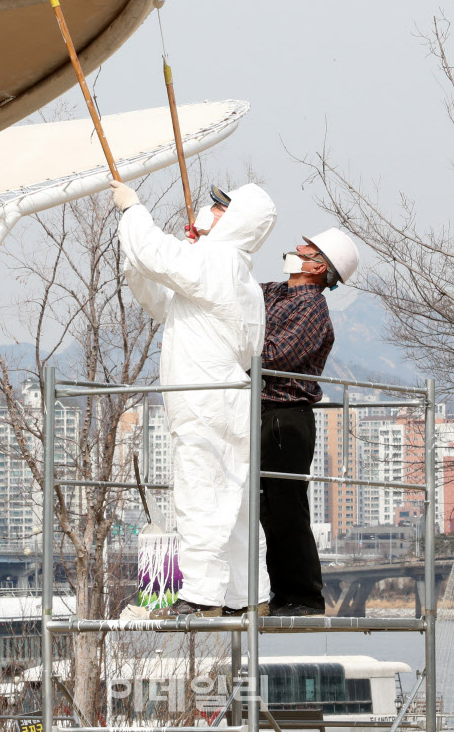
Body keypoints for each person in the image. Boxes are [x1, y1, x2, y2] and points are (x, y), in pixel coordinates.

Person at [110, 179, 277, 618]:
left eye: (220, 208)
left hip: (205, 401)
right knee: (235, 501)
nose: (209, 211)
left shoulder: (217, 262)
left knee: (202, 493)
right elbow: (161, 297)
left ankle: (200, 595)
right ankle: (248, 594)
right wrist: (138, 256)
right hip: (222, 400)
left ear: (235, 221)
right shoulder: (237, 275)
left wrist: (132, 210)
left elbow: (155, 255)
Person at [260, 228, 359, 617]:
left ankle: (303, 597)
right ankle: (282, 595)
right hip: (264, 413)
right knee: (269, 508)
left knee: (286, 508)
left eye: (308, 249)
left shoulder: (312, 309)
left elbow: (274, 356)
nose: (296, 249)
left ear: (318, 267)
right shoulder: (273, 292)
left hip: (286, 416)